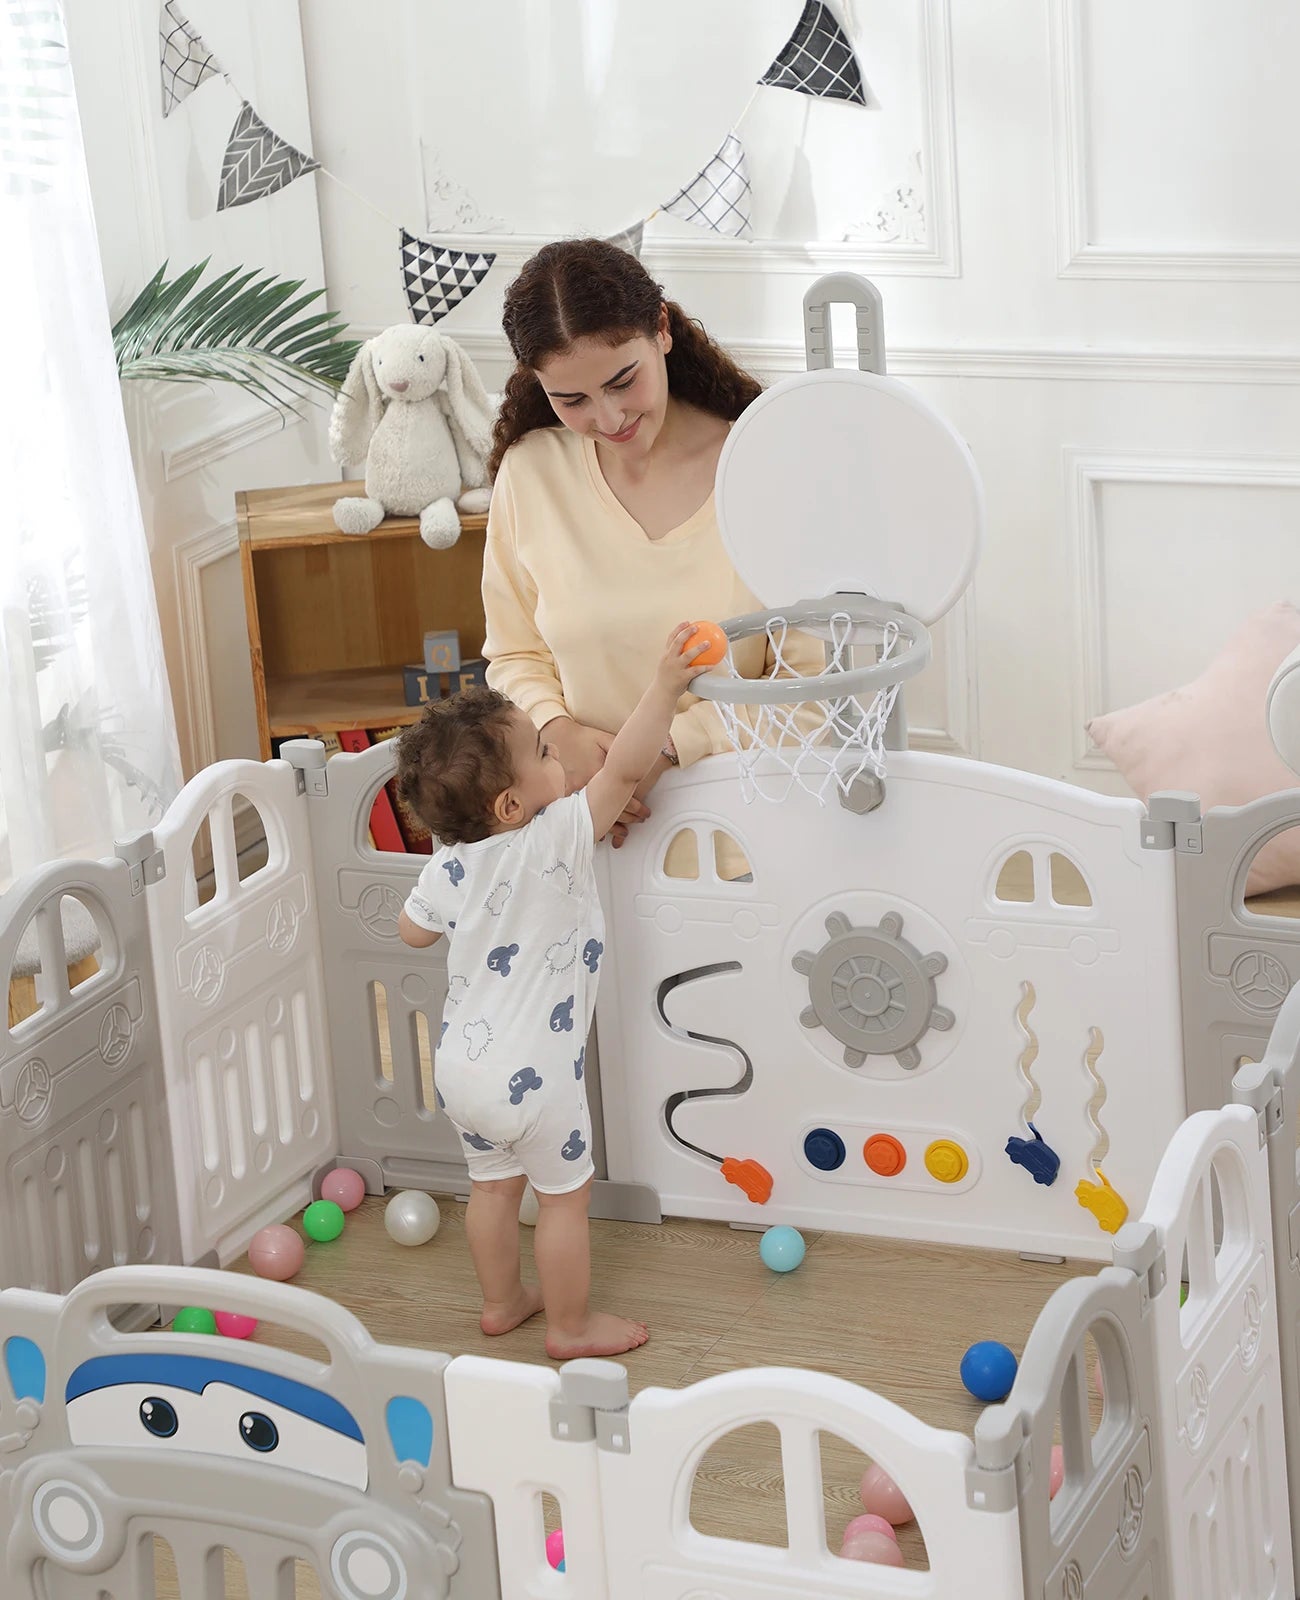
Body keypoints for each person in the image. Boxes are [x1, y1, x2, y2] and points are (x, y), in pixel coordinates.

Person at [395, 623, 709, 1359]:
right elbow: (626, 768)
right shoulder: (557, 834)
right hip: (535, 1082)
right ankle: (569, 1327)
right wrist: (664, 687)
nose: (554, 755)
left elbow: (412, 932)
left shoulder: (451, 861)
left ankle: (502, 1304)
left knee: (494, 1192)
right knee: (565, 1201)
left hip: (463, 1074)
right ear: (510, 806)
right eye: (541, 752)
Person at [481, 237, 823, 863]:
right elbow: (513, 653)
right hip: (582, 836)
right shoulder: (531, 475)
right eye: (572, 400)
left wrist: (665, 746)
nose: (609, 418)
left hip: (747, 839)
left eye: (622, 381)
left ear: (661, 329)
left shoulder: (764, 468)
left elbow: (811, 692)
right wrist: (559, 734)